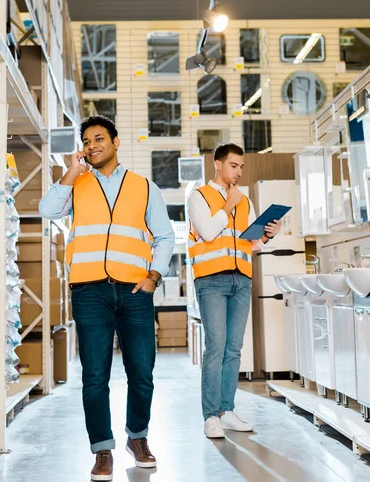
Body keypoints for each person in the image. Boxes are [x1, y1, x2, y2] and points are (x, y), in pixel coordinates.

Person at [39, 116, 175, 481]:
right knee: (95, 376)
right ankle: (102, 448)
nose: (92, 145)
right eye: (86, 141)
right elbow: (47, 210)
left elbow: (165, 236)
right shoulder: (77, 184)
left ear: (116, 142)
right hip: (89, 290)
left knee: (142, 372)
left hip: (134, 290)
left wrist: (153, 276)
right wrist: (70, 172)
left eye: (99, 138)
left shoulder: (145, 187)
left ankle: (138, 438)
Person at [187, 143, 280, 439]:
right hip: (211, 279)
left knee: (234, 349)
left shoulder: (246, 200)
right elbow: (209, 231)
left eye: (241, 167)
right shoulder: (199, 196)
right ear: (218, 164)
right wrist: (228, 204)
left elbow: (251, 244)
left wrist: (267, 234)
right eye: (233, 166)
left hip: (242, 278)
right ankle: (210, 416)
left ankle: (227, 411)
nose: (238, 172)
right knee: (216, 347)